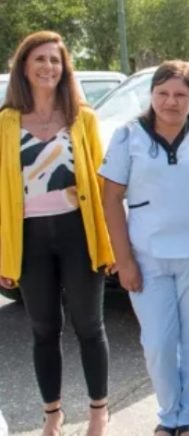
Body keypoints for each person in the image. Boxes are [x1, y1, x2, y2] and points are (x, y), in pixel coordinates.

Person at [0, 30, 113, 436]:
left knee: (89, 326)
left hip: (77, 233)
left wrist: (111, 244)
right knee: (44, 330)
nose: (48, 66)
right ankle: (52, 414)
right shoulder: (5, 123)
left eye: (55, 60)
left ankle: (99, 412)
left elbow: (101, 184)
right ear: (24, 67)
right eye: (40, 59)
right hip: (28, 238)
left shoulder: (83, 118)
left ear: (64, 68)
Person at [100, 60, 189, 436]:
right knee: (158, 343)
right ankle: (168, 416)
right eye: (163, 93)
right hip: (148, 258)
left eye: (181, 94)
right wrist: (124, 261)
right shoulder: (127, 135)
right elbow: (110, 199)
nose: (171, 101)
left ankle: (188, 418)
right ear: (151, 95)